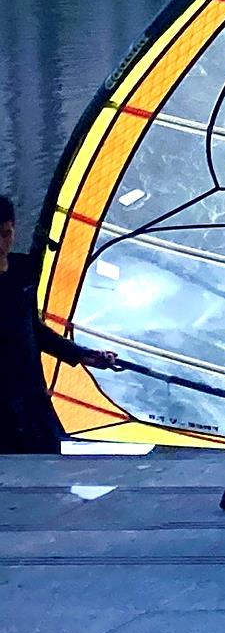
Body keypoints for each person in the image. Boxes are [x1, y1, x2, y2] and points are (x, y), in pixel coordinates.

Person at [2, 194, 123, 455]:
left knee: (48, 468)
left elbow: (33, 329)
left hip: (32, 402)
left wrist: (82, 354)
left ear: (13, 230)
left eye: (5, 234)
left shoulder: (23, 270)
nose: (1, 244)